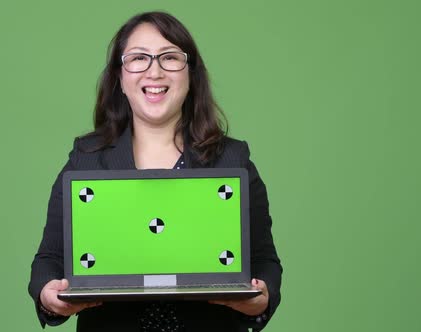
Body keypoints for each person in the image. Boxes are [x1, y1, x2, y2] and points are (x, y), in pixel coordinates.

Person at [28, 11, 282, 332]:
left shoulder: (232, 159)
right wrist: (48, 293)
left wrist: (260, 298)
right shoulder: (86, 159)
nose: (155, 71)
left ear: (191, 75)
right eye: (138, 58)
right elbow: (49, 259)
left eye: (169, 57)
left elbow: (264, 261)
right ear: (120, 77)